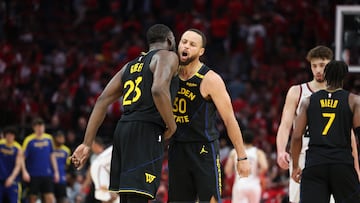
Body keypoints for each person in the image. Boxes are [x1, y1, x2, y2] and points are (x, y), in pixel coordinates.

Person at [71, 23, 179, 203]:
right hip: (145, 130)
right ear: (169, 40)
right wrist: (172, 124)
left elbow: (102, 100)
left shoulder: (130, 66)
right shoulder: (167, 56)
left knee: (127, 197)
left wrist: (86, 143)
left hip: (123, 131)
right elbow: (158, 90)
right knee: (139, 196)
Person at [168, 28, 251, 203]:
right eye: (184, 42)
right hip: (177, 147)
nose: (186, 46)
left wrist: (242, 157)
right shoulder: (169, 74)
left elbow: (229, 120)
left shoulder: (210, 79)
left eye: (192, 44)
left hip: (203, 148)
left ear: (201, 51)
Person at [276, 45, 360, 203]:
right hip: (301, 153)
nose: (318, 70)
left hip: (325, 156)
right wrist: (281, 151)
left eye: (322, 65)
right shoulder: (297, 91)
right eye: (314, 66)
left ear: (330, 65)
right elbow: (285, 125)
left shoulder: (341, 97)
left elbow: (349, 136)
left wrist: (356, 166)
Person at [22, 117, 60, 203]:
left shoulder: (49, 138)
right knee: (33, 198)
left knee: (50, 198)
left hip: (47, 173)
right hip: (33, 174)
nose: (40, 129)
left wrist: (56, 171)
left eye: (42, 127)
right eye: (38, 127)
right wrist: (24, 171)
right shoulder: (28, 140)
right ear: (34, 128)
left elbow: (52, 156)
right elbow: (22, 158)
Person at [224, 130, 268, 203]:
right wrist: (256, 173)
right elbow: (264, 167)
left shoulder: (234, 152)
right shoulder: (258, 152)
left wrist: (234, 171)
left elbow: (227, 171)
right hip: (254, 185)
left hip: (240, 185)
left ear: (242, 139)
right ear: (253, 140)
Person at [0, 126, 23, 203]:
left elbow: (18, 166)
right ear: (4, 135)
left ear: (14, 136)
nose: (9, 137)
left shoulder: (18, 148)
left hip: (13, 180)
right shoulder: (0, 144)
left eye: (11, 135)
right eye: (8, 135)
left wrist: (11, 178)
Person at [53, 130, 71, 203]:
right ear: (55, 138)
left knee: (62, 199)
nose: (62, 139)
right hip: (50, 177)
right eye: (59, 137)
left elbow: (67, 165)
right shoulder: (51, 149)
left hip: (61, 178)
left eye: (63, 137)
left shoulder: (66, 150)